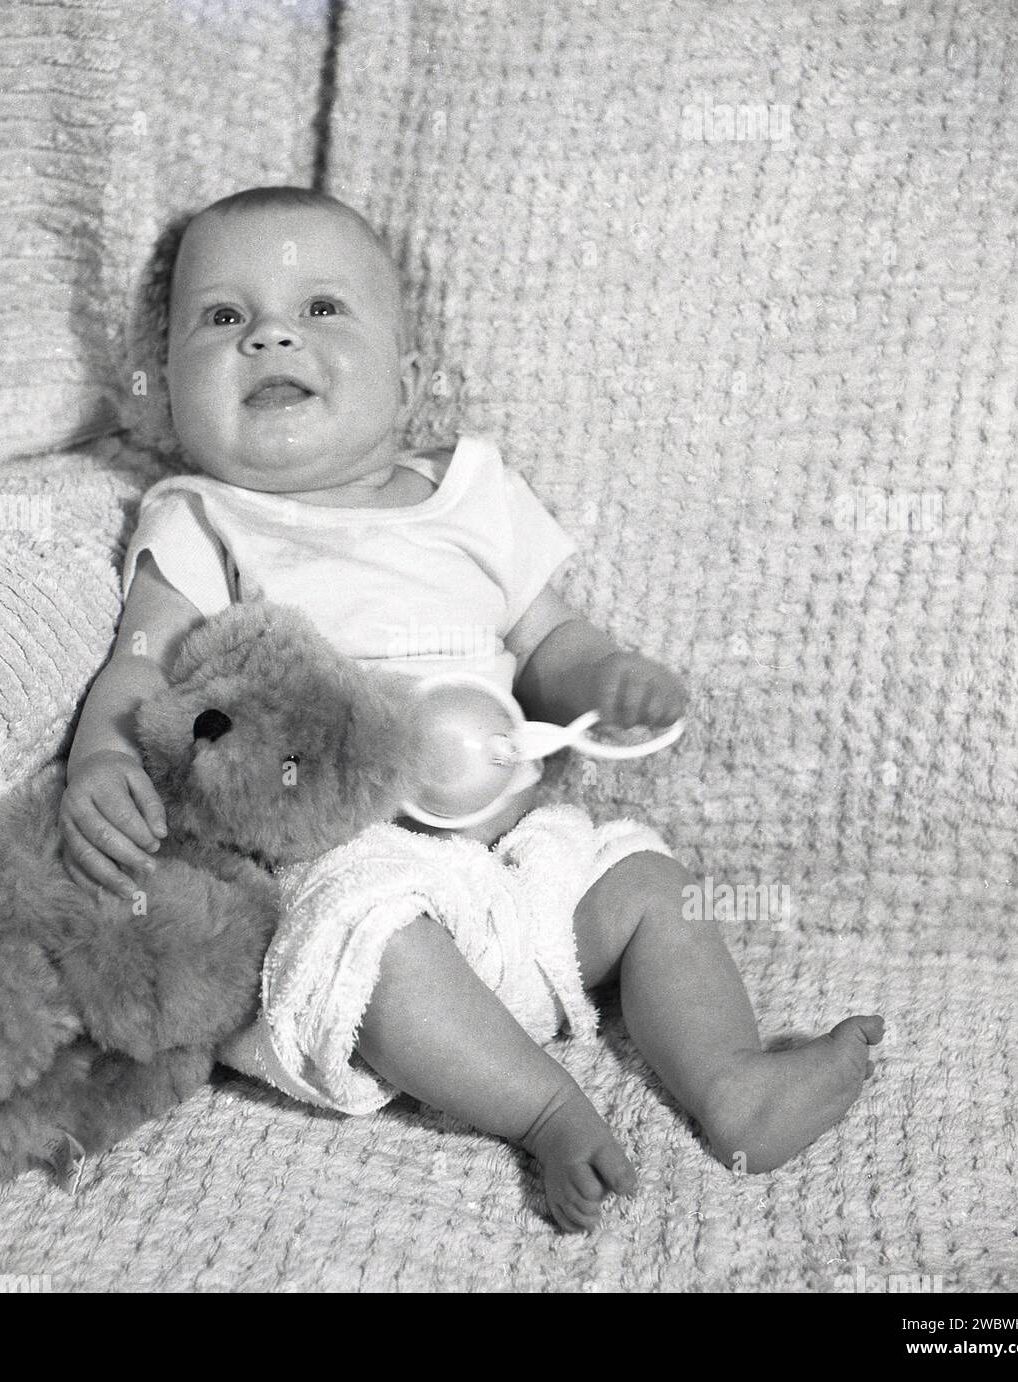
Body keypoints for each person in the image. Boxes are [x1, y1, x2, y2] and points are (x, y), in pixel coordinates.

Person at [60, 186, 883, 1232]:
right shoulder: (204, 518)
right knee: (370, 935)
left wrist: (608, 681)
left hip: (523, 865)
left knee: (643, 876)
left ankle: (731, 1080)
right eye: (222, 317)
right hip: (358, 864)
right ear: (170, 391)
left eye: (321, 308)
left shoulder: (471, 495)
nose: (270, 331)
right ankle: (541, 1107)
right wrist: (100, 762)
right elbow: (135, 671)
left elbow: (554, 641)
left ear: (405, 382)